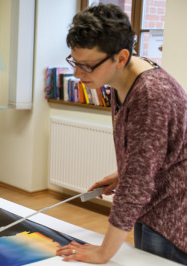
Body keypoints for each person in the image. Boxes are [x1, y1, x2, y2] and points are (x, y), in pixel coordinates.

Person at [56, 3, 187, 264]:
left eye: (88, 65)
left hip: (171, 219)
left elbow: (138, 184)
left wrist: (104, 252)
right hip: (152, 207)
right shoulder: (120, 81)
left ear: (121, 57)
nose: (77, 73)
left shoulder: (151, 94)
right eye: (74, 62)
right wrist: (123, 173)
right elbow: (160, 148)